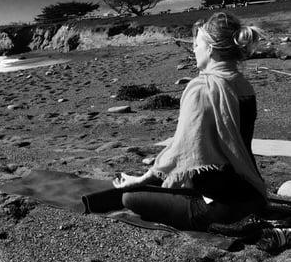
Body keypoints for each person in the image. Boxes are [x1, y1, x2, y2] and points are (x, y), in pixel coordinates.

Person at [112, 12, 267, 231]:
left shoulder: (202, 88)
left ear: (210, 49)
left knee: (130, 198)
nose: (194, 49)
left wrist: (139, 180)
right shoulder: (243, 86)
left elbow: (181, 154)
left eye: (196, 44)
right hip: (252, 190)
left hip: (223, 208)